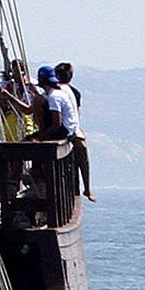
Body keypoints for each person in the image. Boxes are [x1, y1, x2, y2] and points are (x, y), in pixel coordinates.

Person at [55, 61, 95, 201]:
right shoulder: (56, 91)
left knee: (81, 150)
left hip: (72, 126)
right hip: (64, 128)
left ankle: (87, 187)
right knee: (81, 151)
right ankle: (86, 187)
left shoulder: (74, 92)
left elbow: (74, 112)